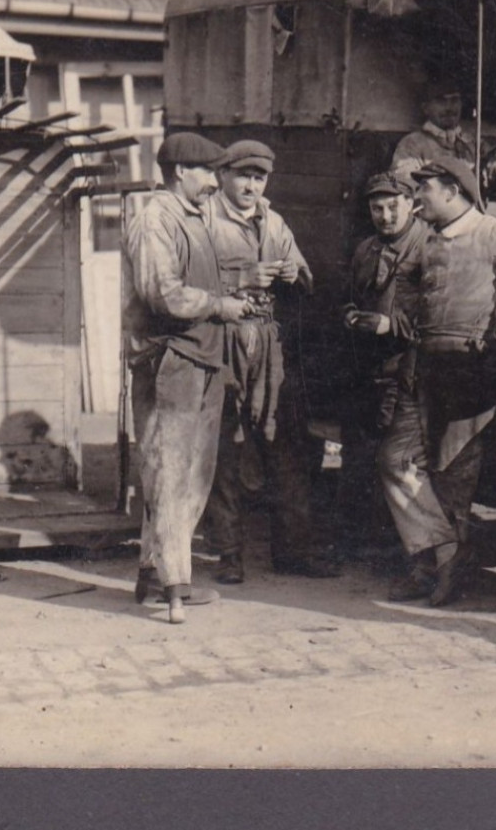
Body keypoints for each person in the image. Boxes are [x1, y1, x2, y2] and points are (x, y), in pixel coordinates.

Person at [377, 156, 496, 606]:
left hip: (470, 372)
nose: (417, 197)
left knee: (453, 476)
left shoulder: (491, 232)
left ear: (452, 192)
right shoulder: (427, 237)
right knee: (394, 459)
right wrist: (404, 309)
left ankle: (441, 568)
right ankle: (439, 555)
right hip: (423, 367)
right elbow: (406, 279)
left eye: (424, 190)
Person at [124, 132, 252, 624]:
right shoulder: (155, 218)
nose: (214, 181)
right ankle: (175, 585)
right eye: (206, 172)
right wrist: (221, 305)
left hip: (200, 356)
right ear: (180, 171)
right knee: (170, 473)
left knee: (189, 474)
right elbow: (164, 294)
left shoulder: (194, 217)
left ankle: (153, 575)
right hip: (168, 359)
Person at [200, 139, 339, 583]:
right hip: (221, 344)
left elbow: (305, 276)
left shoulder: (273, 221)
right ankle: (229, 556)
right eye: (243, 175)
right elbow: (187, 282)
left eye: (259, 178)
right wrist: (241, 278)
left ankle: (294, 552)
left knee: (287, 448)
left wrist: (296, 274)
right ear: (223, 175)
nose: (251, 186)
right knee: (224, 450)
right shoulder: (202, 219)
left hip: (268, 348)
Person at [339, 171, 430, 553]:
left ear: (412, 204)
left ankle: (409, 548)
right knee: (360, 454)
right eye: (378, 209)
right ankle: (366, 542)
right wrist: (349, 313)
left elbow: (437, 315)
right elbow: (350, 294)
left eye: (394, 207)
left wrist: (389, 325)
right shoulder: (366, 249)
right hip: (368, 368)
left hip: (410, 370)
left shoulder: (429, 246)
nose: (386, 216)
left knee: (400, 461)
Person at [390, 77, 477, 177]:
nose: (449, 107)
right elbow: (402, 182)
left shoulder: (473, 143)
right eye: (441, 101)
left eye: (454, 100)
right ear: (426, 108)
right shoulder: (412, 144)